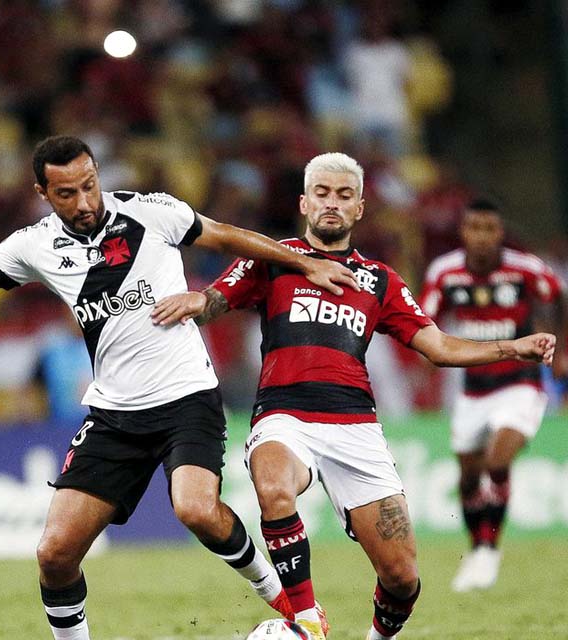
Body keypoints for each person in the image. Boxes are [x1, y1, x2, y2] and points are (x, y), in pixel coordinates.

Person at [0, 135, 361, 639]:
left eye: (89, 185)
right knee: (54, 553)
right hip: (114, 414)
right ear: (43, 194)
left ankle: (281, 596)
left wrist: (303, 261)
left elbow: (226, 235)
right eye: (66, 192)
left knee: (195, 508)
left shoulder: (150, 212)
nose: (84, 201)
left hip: (187, 398)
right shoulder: (35, 246)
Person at [150, 153, 556, 640]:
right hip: (284, 415)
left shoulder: (380, 280)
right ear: (304, 201)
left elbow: (440, 347)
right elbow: (218, 297)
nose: (331, 204)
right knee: (274, 485)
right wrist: (200, 301)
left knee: (403, 579)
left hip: (355, 425)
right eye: (321, 193)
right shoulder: (274, 259)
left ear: (360, 208)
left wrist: (513, 346)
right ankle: (305, 621)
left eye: (344, 196)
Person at [419, 199, 567, 592]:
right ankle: (477, 548)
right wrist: (426, 367)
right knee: (468, 478)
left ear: (500, 233)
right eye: (474, 228)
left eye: (490, 228)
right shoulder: (445, 273)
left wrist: (562, 352)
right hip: (472, 391)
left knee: (498, 457)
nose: (482, 237)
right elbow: (423, 323)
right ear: (463, 232)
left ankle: (489, 549)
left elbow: (559, 296)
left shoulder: (524, 269)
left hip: (521, 385)